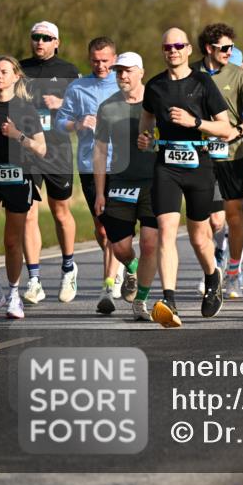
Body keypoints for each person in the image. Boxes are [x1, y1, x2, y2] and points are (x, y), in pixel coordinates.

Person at [137, 28, 233, 327]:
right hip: (166, 165)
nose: (173, 51)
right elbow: (147, 118)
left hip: (199, 164)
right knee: (166, 230)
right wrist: (146, 138)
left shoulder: (202, 82)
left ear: (189, 49)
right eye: (167, 46)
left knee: (199, 238)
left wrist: (194, 122)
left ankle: (212, 274)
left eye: (178, 45)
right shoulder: (154, 86)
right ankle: (169, 299)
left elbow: (226, 128)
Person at [191, 23, 243, 299]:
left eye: (231, 47)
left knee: (234, 217)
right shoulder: (191, 74)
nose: (229, 52)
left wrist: (238, 130)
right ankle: (212, 270)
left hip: (234, 155)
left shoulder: (238, 75)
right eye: (225, 48)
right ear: (209, 49)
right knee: (211, 219)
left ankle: (233, 271)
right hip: (200, 156)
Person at [56, 37, 122, 305]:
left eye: (105, 60)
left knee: (115, 224)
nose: (101, 65)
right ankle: (121, 260)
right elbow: (61, 122)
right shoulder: (77, 87)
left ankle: (112, 276)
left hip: (121, 164)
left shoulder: (123, 84)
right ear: (89, 59)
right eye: (95, 60)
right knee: (102, 229)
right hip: (88, 164)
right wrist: (78, 124)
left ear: (114, 59)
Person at [0, 56, 48, 319]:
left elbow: (41, 149)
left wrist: (18, 135)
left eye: (4, 71)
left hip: (19, 173)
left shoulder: (26, 109)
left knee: (11, 240)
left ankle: (14, 294)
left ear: (15, 76)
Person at [92, 52, 158, 320]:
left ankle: (140, 302)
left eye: (128, 70)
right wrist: (99, 192)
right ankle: (131, 267)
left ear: (141, 72)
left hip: (154, 183)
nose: (122, 76)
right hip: (120, 183)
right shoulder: (108, 107)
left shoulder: (156, 104)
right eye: (118, 71)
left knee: (151, 244)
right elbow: (99, 151)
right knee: (119, 247)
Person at [19, 21, 80, 304]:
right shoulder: (20, 69)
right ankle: (33, 279)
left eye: (46, 38)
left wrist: (61, 103)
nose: (40, 42)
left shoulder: (68, 71)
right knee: (28, 212)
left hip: (57, 151)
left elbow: (84, 110)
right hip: (28, 151)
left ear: (57, 42)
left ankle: (68, 268)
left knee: (60, 211)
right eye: (36, 37)